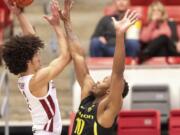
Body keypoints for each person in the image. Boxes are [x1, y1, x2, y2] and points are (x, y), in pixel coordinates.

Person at [58, 0, 138, 134]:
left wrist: (119, 35)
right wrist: (66, 21)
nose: (98, 81)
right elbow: (78, 56)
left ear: (109, 91)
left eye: (103, 81)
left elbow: (117, 73)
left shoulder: (107, 109)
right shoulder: (88, 97)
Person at [2, 1, 71, 135]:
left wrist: (19, 14)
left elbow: (31, 38)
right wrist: (57, 26)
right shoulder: (37, 79)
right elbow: (66, 57)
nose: (39, 55)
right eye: (36, 54)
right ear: (28, 61)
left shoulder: (27, 76)